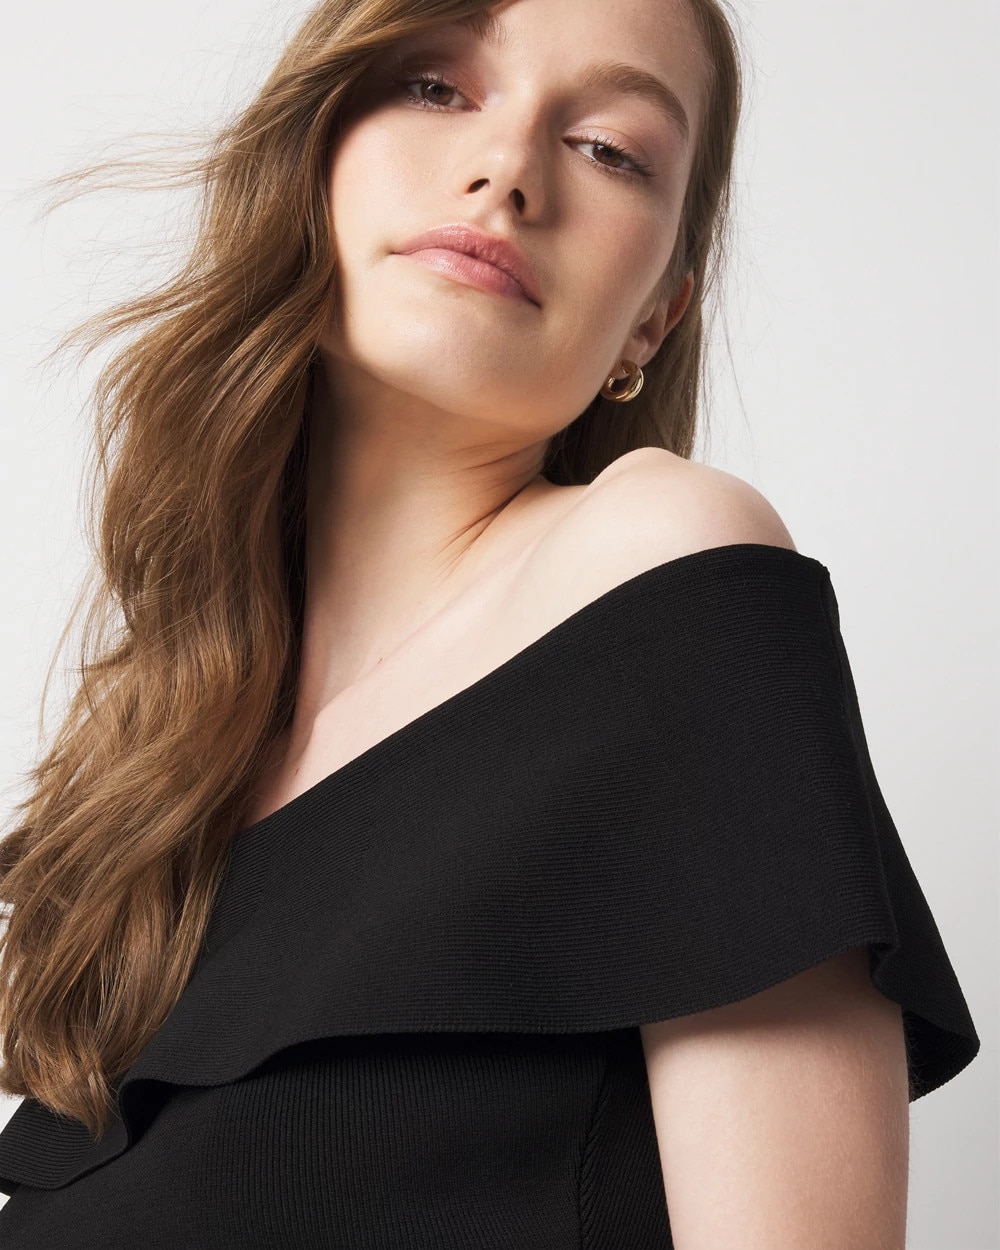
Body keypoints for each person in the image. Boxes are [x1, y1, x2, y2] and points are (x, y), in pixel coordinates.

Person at [0, 0, 980, 1245]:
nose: (507, 170)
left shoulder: (666, 568)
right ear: (310, 156)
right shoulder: (157, 772)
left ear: (654, 315)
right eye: (434, 88)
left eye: (608, 149)